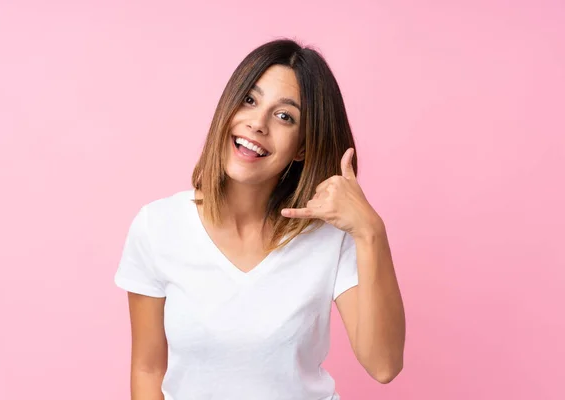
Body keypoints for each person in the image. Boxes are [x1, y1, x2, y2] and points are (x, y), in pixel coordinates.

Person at [114, 38, 406, 400]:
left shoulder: (332, 236)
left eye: (285, 116)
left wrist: (371, 230)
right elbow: (147, 369)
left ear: (303, 146)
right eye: (250, 100)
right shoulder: (157, 227)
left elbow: (384, 364)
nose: (258, 123)